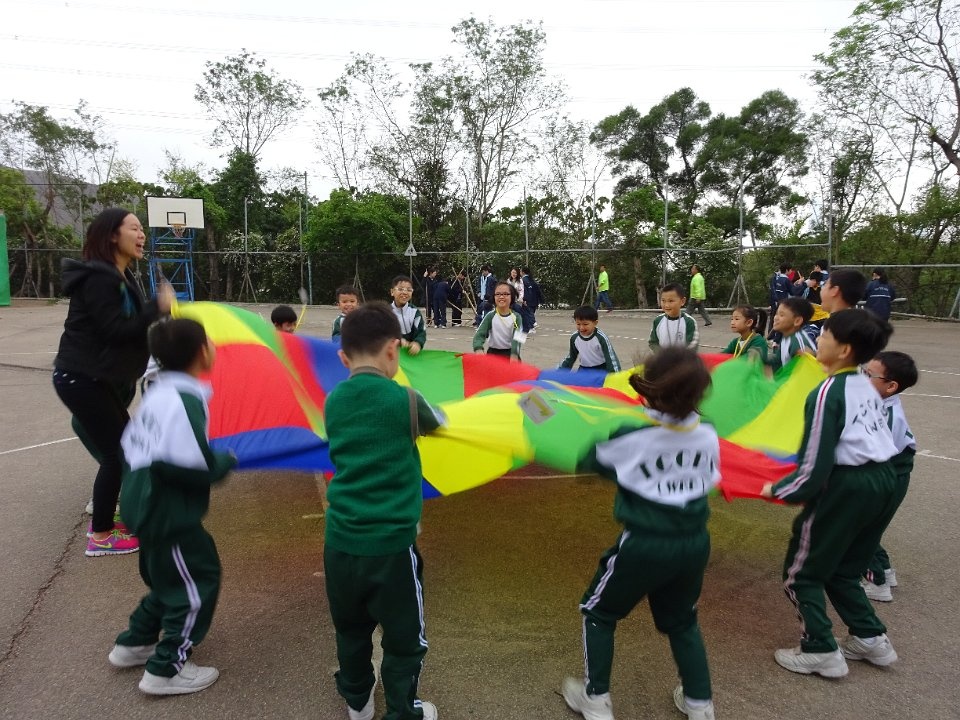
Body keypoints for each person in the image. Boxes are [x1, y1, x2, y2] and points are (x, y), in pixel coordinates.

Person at [562, 347, 720, 720]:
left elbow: (589, 463)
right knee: (683, 621)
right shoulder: (709, 432)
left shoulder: (632, 435)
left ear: (650, 388)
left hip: (644, 545)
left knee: (598, 612)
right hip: (694, 543)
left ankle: (595, 698)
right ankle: (700, 703)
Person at [761, 310, 899, 679]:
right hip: (885, 480)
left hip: (848, 487)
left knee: (801, 572)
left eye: (824, 335)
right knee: (843, 570)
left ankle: (820, 648)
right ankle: (870, 637)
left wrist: (779, 489)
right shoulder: (864, 384)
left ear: (844, 349)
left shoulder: (827, 392)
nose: (817, 339)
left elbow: (814, 465)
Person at [323, 302, 444, 720]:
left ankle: (357, 700)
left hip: (340, 543)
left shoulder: (333, 401)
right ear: (394, 349)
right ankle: (403, 710)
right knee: (405, 639)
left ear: (343, 358)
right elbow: (439, 421)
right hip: (391, 548)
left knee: (350, 630)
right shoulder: (406, 399)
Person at [111, 318, 236, 695]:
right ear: (201, 353)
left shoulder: (159, 393)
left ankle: (135, 642)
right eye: (210, 341)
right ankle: (166, 667)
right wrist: (225, 461)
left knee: (169, 580)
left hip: (144, 506)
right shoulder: (184, 401)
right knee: (197, 579)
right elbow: (193, 466)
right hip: (168, 514)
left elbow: (133, 448)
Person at [52, 207, 173, 557]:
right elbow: (115, 330)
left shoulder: (120, 275)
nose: (141, 234)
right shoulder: (99, 278)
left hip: (95, 377)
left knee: (126, 447)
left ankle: (106, 519)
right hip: (81, 377)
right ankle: (101, 535)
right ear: (111, 235)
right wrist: (156, 307)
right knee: (116, 454)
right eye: (134, 228)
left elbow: (127, 329)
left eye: (141, 229)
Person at [860, 351, 918, 602]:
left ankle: (877, 584)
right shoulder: (881, 404)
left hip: (888, 478)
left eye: (869, 375)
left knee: (860, 530)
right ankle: (884, 570)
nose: (862, 378)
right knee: (871, 528)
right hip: (891, 474)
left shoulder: (886, 417)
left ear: (891, 386)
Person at [559, 306, 621, 372]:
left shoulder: (601, 338)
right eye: (578, 324)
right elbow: (571, 356)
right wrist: (559, 371)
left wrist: (615, 375)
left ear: (595, 323)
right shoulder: (574, 337)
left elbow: (611, 358)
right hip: (584, 369)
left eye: (585, 324)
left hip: (601, 369)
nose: (581, 328)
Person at [472, 282, 523, 360]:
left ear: (512, 297)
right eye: (498, 294)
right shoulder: (490, 316)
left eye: (505, 294)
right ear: (494, 297)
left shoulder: (517, 317)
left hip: (510, 354)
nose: (501, 297)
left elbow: (518, 339)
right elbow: (479, 335)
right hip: (492, 354)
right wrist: (478, 348)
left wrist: (514, 354)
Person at [768, 297, 817, 373]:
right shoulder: (786, 336)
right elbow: (778, 359)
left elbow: (807, 370)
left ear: (797, 321)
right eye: (776, 314)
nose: (776, 318)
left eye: (781, 315)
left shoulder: (798, 342)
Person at [649, 283, 699, 352]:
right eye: (663, 301)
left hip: (683, 358)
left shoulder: (689, 322)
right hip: (663, 357)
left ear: (682, 301)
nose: (666, 305)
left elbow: (692, 345)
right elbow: (653, 342)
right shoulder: (657, 321)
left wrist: (676, 357)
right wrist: (661, 355)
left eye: (671, 301)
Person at [389, 275, 426, 356]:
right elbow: (382, 334)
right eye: (400, 289)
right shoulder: (386, 312)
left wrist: (418, 343)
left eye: (409, 290)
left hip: (410, 355)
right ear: (392, 292)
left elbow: (421, 332)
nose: (405, 293)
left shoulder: (415, 312)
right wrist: (397, 340)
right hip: (391, 355)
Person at [767, 264, 793, 337]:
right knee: (777, 318)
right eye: (790, 270)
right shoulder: (783, 279)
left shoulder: (777, 278)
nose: (791, 271)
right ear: (787, 270)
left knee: (775, 318)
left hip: (777, 301)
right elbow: (792, 291)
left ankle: (772, 336)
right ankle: (773, 336)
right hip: (780, 302)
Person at [520, 266, 541, 333]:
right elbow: (538, 290)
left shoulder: (524, 280)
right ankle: (531, 327)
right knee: (529, 313)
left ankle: (533, 323)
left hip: (528, 300)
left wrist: (524, 299)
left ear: (523, 272)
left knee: (527, 313)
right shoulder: (532, 279)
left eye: (520, 271)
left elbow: (525, 290)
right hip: (534, 300)